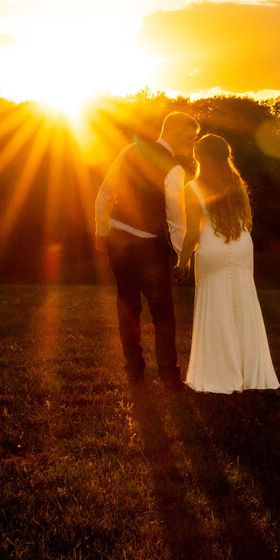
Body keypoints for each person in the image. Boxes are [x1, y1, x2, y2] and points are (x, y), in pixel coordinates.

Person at [95, 112, 199, 390]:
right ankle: (168, 376)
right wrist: (182, 256)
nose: (192, 144)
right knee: (163, 312)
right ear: (175, 134)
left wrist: (102, 230)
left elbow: (106, 192)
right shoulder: (173, 168)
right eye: (190, 138)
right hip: (148, 248)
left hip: (118, 242)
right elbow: (176, 216)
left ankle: (134, 373)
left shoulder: (130, 151)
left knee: (127, 307)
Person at [175, 134, 279, 394]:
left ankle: (218, 374)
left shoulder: (193, 188)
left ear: (198, 157)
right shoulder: (237, 184)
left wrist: (182, 262)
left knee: (215, 306)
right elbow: (249, 222)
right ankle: (251, 375)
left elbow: (192, 234)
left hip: (212, 247)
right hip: (242, 245)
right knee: (244, 304)